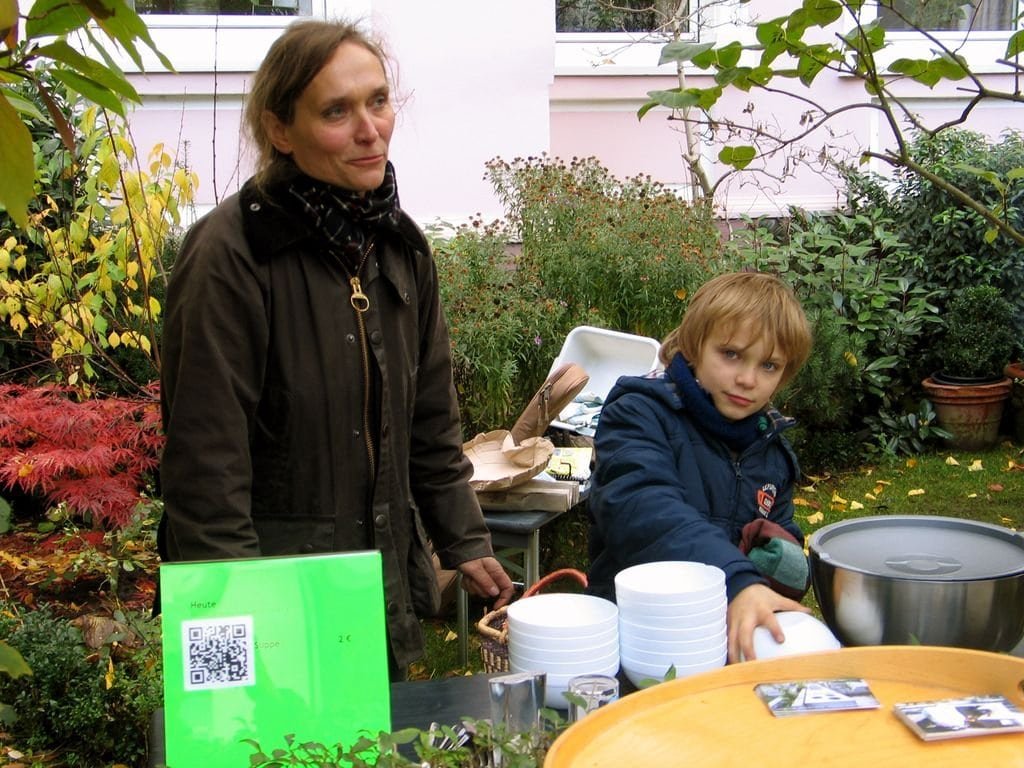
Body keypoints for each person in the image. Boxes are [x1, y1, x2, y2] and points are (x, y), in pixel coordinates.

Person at [157, 18, 514, 677]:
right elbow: (206, 472)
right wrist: (243, 630)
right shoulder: (231, 256)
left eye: (378, 101)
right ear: (280, 129)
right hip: (273, 591)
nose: (369, 128)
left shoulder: (399, 246)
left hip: (376, 586)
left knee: (375, 743)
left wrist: (463, 539)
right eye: (336, 111)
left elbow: (431, 424)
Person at [585, 271, 814, 663]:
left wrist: (785, 561)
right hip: (637, 644)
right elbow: (644, 510)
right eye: (731, 354)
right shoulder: (638, 414)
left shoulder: (770, 450)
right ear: (694, 346)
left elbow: (782, 540)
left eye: (769, 366)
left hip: (727, 644)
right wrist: (738, 579)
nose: (747, 380)